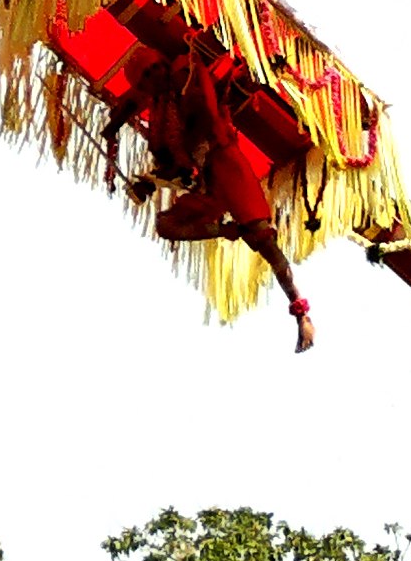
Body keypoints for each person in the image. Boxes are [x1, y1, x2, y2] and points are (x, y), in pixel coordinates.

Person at [103, 48, 315, 352]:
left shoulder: (186, 79)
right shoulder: (160, 109)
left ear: (164, 65)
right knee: (166, 225)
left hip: (226, 163)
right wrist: (142, 172)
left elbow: (201, 109)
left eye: (154, 69)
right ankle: (229, 231)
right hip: (207, 182)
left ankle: (301, 313)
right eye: (146, 77)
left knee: (266, 243)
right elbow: (137, 110)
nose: (154, 77)